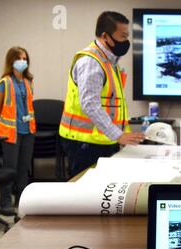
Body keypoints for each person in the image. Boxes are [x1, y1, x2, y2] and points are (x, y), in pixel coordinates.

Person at [59, 11, 144, 178]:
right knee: (85, 195)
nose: (126, 42)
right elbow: (90, 104)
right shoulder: (91, 62)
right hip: (85, 142)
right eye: (122, 36)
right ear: (105, 36)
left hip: (102, 140)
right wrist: (118, 135)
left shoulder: (110, 62)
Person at [0, 47, 36, 210]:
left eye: (25, 58)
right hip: (10, 133)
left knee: (23, 169)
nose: (23, 62)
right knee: (10, 169)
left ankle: (22, 202)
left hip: (28, 131)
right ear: (12, 61)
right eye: (19, 58)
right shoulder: (4, 82)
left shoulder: (28, 82)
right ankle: (5, 203)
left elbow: (28, 106)